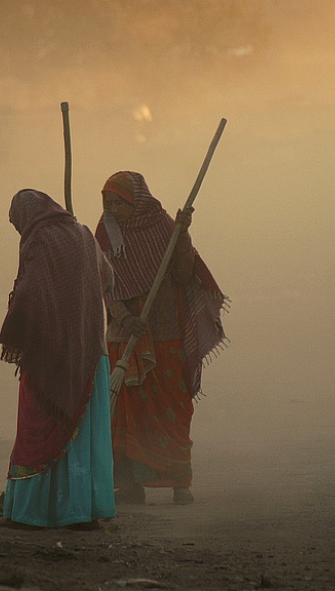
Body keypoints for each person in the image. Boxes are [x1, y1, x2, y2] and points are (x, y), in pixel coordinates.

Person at [95, 171, 227, 505]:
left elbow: (183, 273)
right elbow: (103, 283)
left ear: (136, 201)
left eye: (118, 203)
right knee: (123, 413)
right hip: (125, 337)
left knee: (173, 408)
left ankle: (179, 482)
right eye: (107, 203)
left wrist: (182, 233)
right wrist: (126, 318)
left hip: (166, 334)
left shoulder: (165, 225)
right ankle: (128, 485)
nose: (111, 209)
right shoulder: (106, 232)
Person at [0, 189, 116, 527]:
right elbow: (107, 277)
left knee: (40, 430)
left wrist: (13, 328)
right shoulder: (82, 234)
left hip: (50, 357)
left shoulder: (38, 241)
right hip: (91, 352)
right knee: (82, 435)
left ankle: (32, 512)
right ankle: (80, 511)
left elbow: (30, 293)